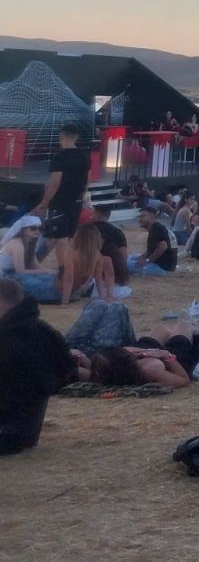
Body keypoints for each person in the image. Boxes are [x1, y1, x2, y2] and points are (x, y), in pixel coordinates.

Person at [0, 278, 76, 454]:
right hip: (27, 430)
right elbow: (67, 369)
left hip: (8, 429)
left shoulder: (9, 339)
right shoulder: (43, 331)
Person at [30, 124, 90, 262]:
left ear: (61, 136)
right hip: (76, 200)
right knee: (67, 236)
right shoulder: (84, 157)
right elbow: (87, 181)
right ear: (77, 137)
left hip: (61, 201)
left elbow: (54, 184)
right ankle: (39, 262)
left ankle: (63, 269)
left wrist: (44, 203)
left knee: (59, 237)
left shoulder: (60, 157)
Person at [129, 206, 177, 274]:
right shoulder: (158, 227)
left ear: (152, 216)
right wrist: (143, 257)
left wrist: (147, 260)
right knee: (132, 257)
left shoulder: (156, 228)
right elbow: (153, 249)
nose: (140, 219)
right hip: (168, 266)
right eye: (139, 217)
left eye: (143, 216)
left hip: (162, 268)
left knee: (126, 264)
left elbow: (163, 246)